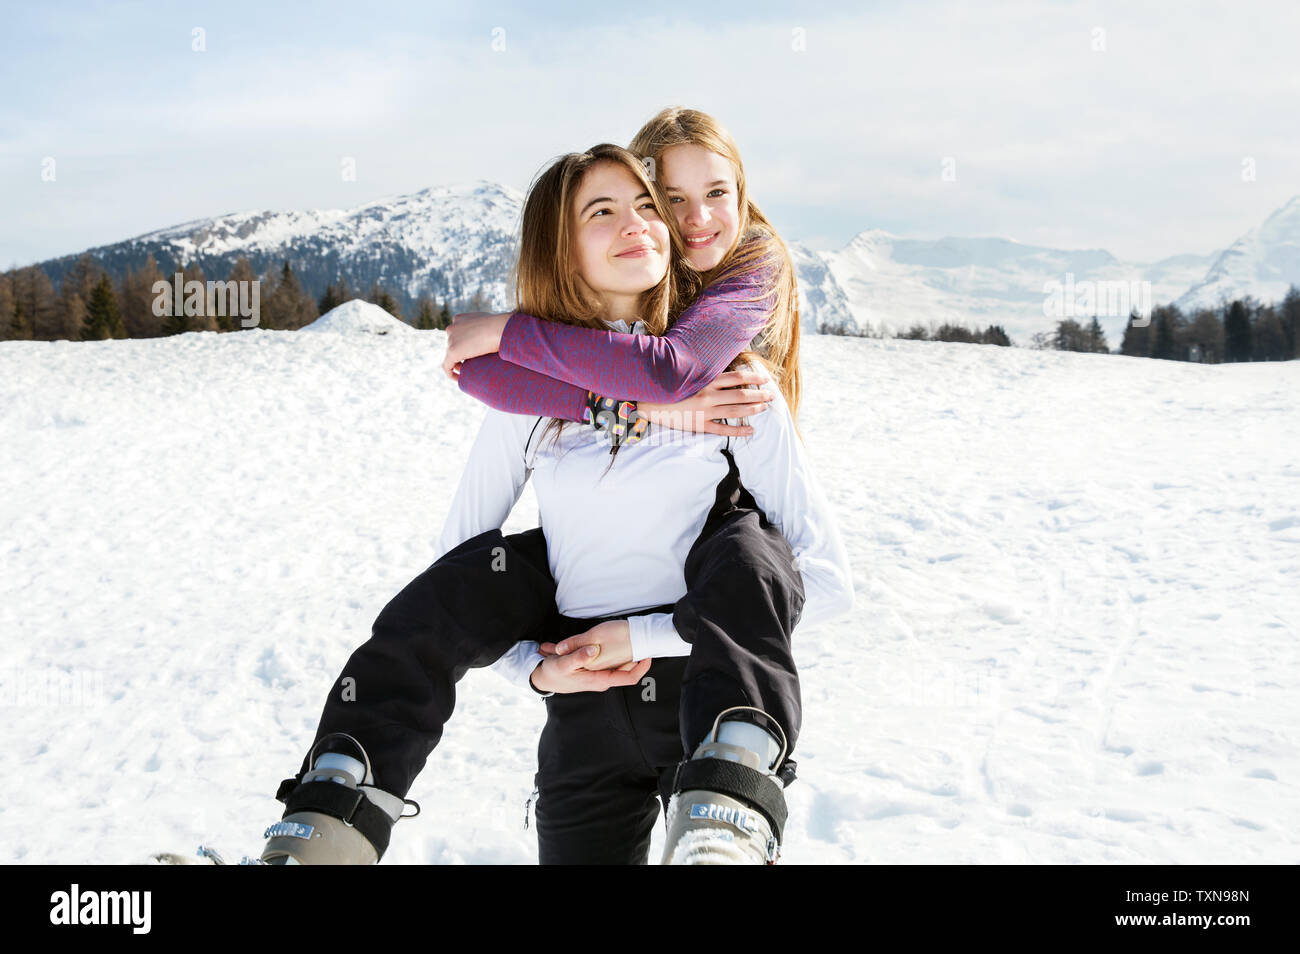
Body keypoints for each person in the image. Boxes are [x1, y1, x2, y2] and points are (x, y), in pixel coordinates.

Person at [430, 144, 852, 863]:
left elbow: (827, 582)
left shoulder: (733, 388)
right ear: (561, 251)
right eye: (603, 210)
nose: (639, 224)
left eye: (647, 207)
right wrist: (534, 666)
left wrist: (646, 636)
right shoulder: (523, 399)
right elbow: (456, 575)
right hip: (583, 726)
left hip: (715, 702)